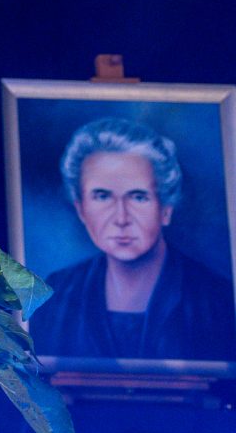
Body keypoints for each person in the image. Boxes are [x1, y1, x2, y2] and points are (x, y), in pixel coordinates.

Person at [29, 117, 235, 362]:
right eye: (102, 196)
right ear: (81, 209)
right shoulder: (56, 297)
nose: (121, 218)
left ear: (166, 208)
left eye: (138, 197)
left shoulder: (218, 300)